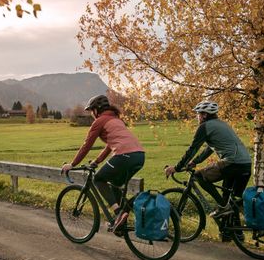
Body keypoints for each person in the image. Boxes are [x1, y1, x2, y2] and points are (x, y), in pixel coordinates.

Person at [164, 100, 252, 240]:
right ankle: (233, 233)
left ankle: (223, 207)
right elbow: (209, 148)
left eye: (198, 114)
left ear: (204, 115)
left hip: (232, 163)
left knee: (199, 176)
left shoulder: (204, 127)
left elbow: (192, 149)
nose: (197, 117)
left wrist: (177, 167)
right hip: (246, 164)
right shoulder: (221, 124)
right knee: (230, 199)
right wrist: (195, 162)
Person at [61, 94, 145, 235]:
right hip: (139, 156)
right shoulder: (117, 120)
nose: (92, 114)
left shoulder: (100, 121)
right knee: (115, 184)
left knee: (98, 179)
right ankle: (121, 218)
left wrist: (72, 164)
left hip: (124, 156)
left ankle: (118, 213)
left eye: (91, 110)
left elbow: (86, 145)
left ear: (97, 110)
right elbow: (109, 146)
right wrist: (96, 161)